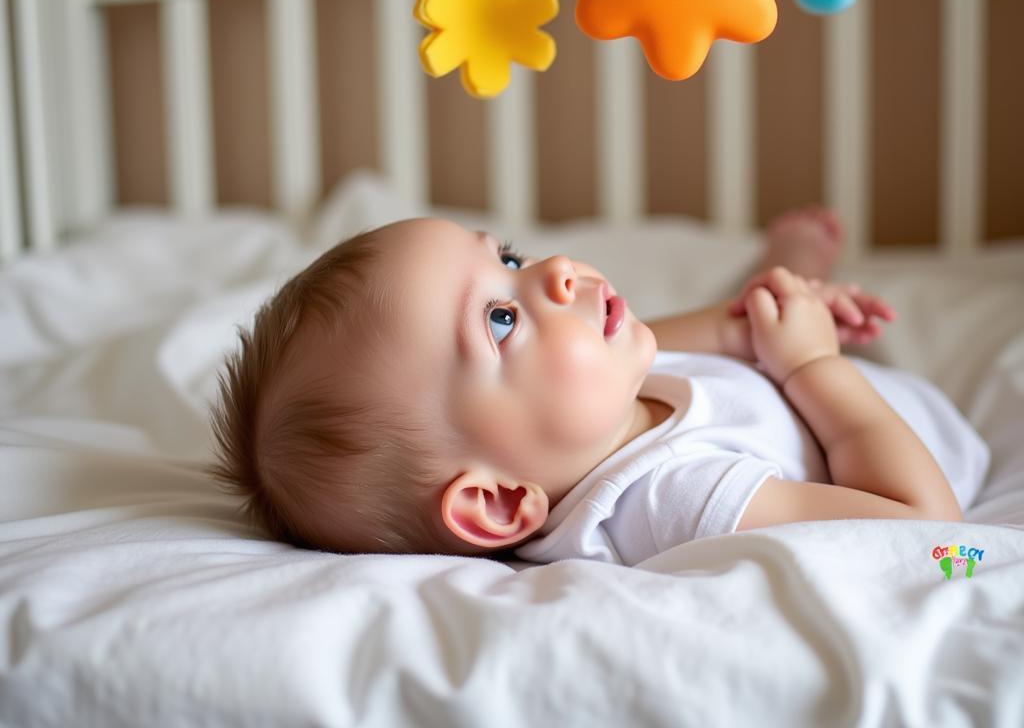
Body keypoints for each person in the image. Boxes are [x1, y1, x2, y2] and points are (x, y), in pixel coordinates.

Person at [208, 208, 990, 565]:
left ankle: (783, 268)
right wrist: (814, 364)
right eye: (502, 321)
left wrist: (769, 317)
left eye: (508, 258)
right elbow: (924, 524)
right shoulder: (676, 498)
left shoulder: (581, 413)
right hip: (899, 425)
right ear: (499, 500)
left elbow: (702, 340)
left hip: (769, 372)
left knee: (759, 304)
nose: (554, 270)